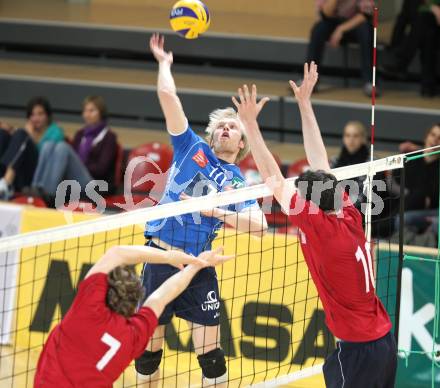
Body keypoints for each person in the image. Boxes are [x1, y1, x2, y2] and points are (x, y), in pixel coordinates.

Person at [232, 63, 397, 388]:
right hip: (381, 340)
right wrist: (305, 103)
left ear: (310, 205)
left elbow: (273, 179)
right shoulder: (348, 211)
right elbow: (321, 165)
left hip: (361, 349)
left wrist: (249, 124)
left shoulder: (320, 229)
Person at [136, 34, 268, 387]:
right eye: (221, 126)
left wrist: (215, 213)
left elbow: (259, 225)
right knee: (148, 352)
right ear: (212, 137)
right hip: (160, 259)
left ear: (242, 143)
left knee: (210, 358)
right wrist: (164, 64)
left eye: (233, 126)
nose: (226, 128)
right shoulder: (189, 146)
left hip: (198, 266)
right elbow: (168, 97)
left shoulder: (238, 182)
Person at [34, 244, 233, 387]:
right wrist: (197, 265)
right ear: (133, 305)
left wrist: (168, 256)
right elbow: (161, 297)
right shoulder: (133, 335)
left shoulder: (87, 308)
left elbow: (116, 253)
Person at [31, 95, 118, 205]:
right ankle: (35, 188)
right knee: (48, 145)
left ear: (101, 112)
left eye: (92, 111)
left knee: (62, 147)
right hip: (75, 180)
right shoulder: (80, 134)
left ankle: (49, 194)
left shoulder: (109, 137)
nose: (87, 114)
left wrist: (78, 165)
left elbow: (101, 168)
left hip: (95, 184)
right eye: (85, 111)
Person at [306, 0, 374, 96]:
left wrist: (341, 29)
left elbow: (366, 15)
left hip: (355, 24)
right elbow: (325, 14)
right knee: (318, 30)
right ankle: (310, 81)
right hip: (332, 22)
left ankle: (369, 81)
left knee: (367, 30)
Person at [0, 97, 64, 199]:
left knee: (21, 134)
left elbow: (47, 157)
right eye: (32, 115)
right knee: (3, 134)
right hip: (20, 175)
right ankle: (2, 182)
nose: (36, 118)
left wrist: (30, 136)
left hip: (37, 178)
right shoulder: (29, 132)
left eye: (40, 114)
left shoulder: (55, 131)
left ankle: (6, 184)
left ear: (47, 115)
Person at [381, 1, 440, 97]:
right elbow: (402, 20)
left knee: (423, 25)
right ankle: (428, 85)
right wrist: (432, 7)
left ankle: (400, 64)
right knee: (426, 32)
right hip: (426, 31)